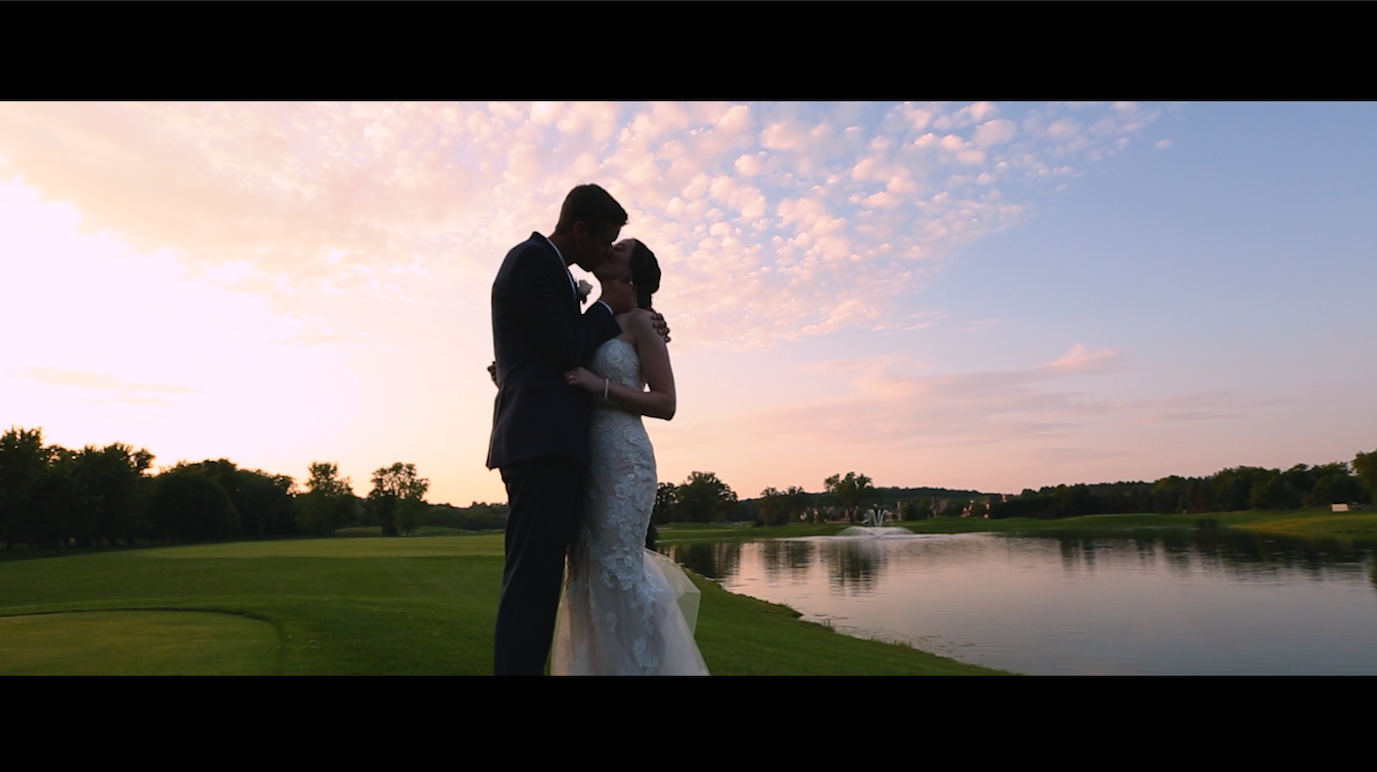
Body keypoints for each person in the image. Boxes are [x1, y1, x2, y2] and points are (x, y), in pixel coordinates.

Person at [487, 184, 639, 676]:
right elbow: (564, 348)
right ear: (580, 230)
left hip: (552, 441)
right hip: (541, 441)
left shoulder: (547, 267)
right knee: (532, 583)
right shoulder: (531, 262)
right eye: (604, 240)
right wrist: (605, 308)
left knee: (541, 579)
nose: (605, 251)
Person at [552, 239, 710, 675]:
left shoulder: (642, 323)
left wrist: (600, 386)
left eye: (620, 248)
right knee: (585, 573)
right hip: (584, 456)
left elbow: (666, 402)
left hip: (624, 460)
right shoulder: (587, 319)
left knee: (618, 569)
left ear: (631, 273)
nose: (609, 248)